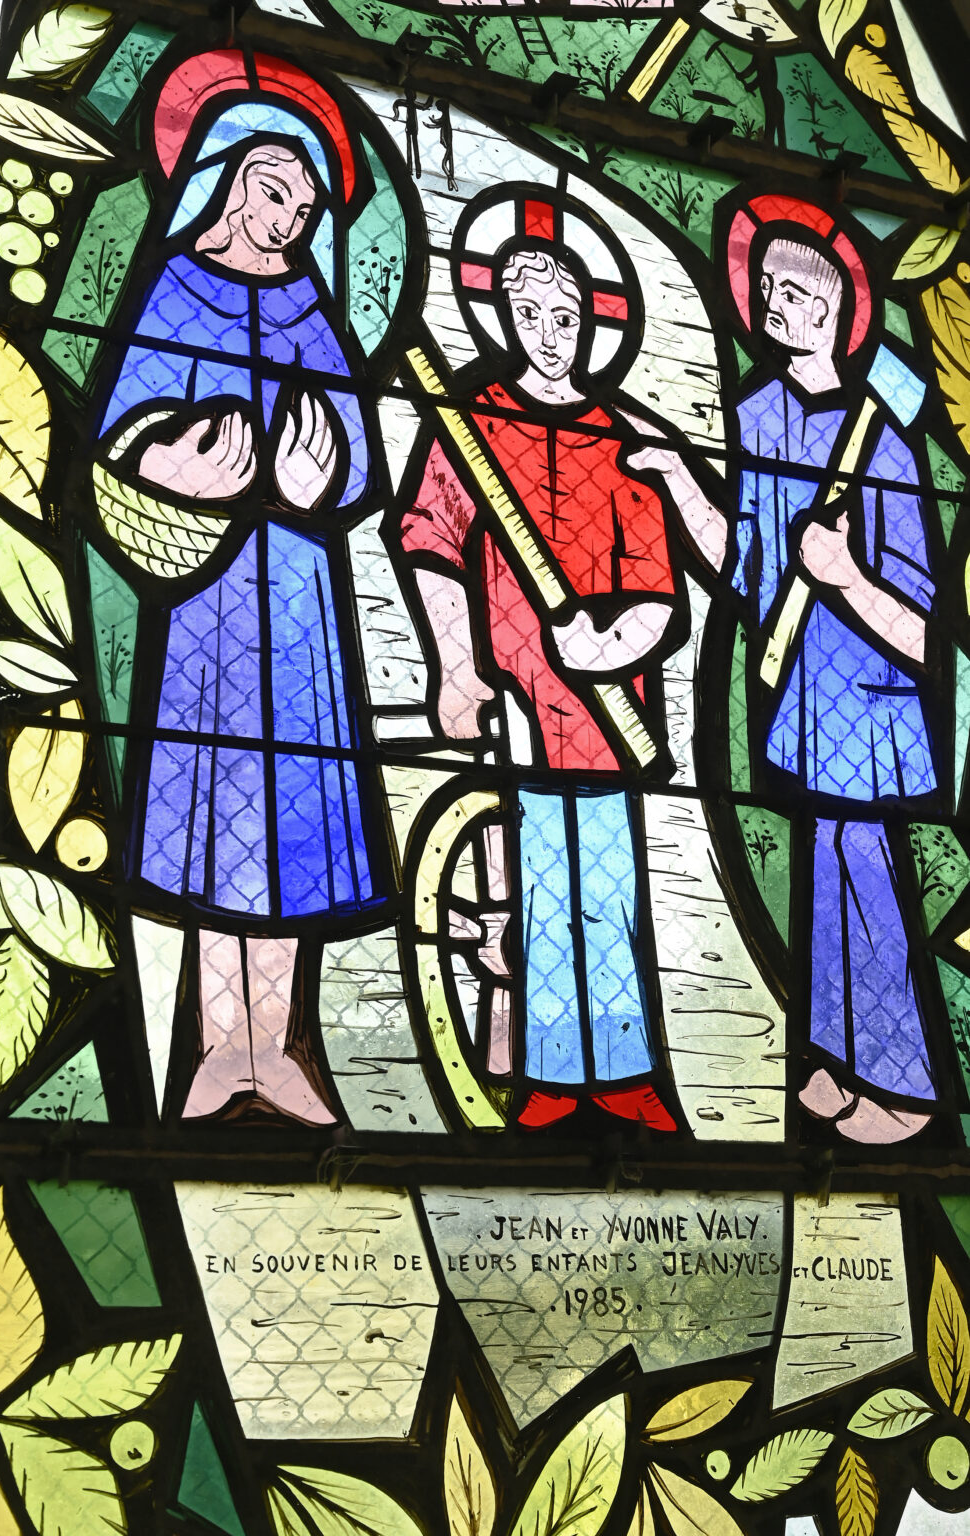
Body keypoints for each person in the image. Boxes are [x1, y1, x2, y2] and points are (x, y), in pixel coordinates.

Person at [399, 197, 724, 1129]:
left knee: (606, 889)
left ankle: (623, 1076)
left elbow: (658, 588)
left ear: (591, 322)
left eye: (566, 315)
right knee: (536, 886)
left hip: (609, 706)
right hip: (515, 695)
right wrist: (454, 663)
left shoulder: (623, 437)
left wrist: (614, 643)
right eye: (529, 313)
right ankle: (548, 1074)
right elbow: (428, 537)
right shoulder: (469, 421)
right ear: (502, 316)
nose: (549, 333)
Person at [97, 125, 386, 1123]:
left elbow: (357, 449)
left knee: (296, 823)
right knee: (215, 816)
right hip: (207, 600)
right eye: (274, 196)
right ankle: (221, 1046)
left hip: (300, 596)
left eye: (304, 212)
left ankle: (280, 1044)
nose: (288, 222)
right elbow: (122, 427)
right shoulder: (175, 287)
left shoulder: (309, 302)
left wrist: (324, 474)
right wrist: (174, 463)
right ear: (230, 187)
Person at [634, 199, 939, 1143]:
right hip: (802, 698)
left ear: (841, 309)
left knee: (869, 877)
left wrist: (847, 577)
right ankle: (837, 1063)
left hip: (873, 707)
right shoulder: (756, 417)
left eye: (800, 292)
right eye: (767, 286)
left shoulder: (886, 437)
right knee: (822, 872)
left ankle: (904, 1084)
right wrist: (679, 476)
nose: (777, 304)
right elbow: (745, 569)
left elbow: (927, 630)